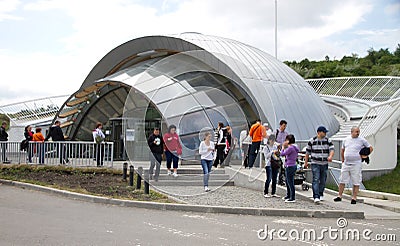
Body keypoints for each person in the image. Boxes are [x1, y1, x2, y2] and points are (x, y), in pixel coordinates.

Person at [334, 126, 373, 204]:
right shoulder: (346, 140)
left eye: (358, 131)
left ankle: (354, 197)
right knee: (342, 180)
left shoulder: (362, 140)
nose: (358, 133)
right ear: (352, 132)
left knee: (356, 181)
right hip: (346, 163)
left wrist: (365, 155)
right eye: (356, 131)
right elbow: (342, 150)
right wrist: (343, 160)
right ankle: (339, 195)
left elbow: (370, 148)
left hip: (356, 163)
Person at [304, 126, 335, 204]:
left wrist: (330, 156)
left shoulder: (328, 140)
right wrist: (306, 162)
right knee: (316, 179)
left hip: (324, 163)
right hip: (315, 163)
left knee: (323, 180)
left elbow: (332, 149)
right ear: (319, 132)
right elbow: (307, 153)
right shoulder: (312, 141)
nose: (325, 134)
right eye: (323, 132)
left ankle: (321, 193)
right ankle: (316, 196)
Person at [280, 134, 299, 203]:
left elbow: (282, 154)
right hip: (292, 165)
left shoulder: (291, 148)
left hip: (290, 165)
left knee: (290, 182)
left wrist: (282, 147)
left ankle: (292, 197)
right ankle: (288, 195)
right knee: (288, 181)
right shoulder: (295, 147)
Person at [275, 120, 288, 185]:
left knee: (283, 166)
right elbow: (272, 141)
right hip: (277, 151)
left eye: (285, 126)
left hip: (284, 151)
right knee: (278, 165)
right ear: (280, 125)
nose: (284, 127)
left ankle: (281, 179)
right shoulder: (276, 132)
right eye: (283, 126)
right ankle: (278, 179)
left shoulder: (286, 133)